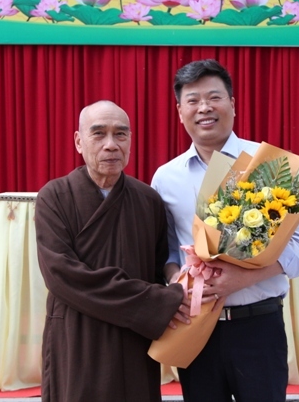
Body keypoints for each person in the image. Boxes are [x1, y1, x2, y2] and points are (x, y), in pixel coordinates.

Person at [151, 59, 299, 402]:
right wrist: (177, 281)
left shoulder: (271, 164)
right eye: (193, 101)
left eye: (214, 97)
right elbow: (166, 251)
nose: (204, 108)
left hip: (258, 326)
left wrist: (243, 278)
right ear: (180, 112)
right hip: (196, 328)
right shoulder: (165, 177)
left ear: (233, 104)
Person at [34, 100, 188, 402]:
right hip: (78, 334)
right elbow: (61, 275)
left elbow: (157, 268)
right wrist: (157, 302)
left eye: (120, 134)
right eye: (98, 134)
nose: (111, 145)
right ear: (79, 141)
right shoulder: (55, 197)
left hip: (134, 337)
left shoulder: (148, 200)